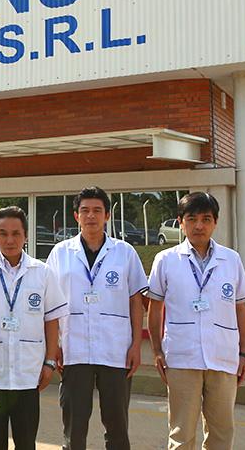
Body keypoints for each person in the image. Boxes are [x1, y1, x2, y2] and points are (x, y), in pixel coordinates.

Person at [147, 192, 245, 450]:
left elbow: (241, 309)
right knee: (181, 434)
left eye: (206, 219)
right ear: (180, 222)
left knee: (222, 432)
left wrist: (244, 354)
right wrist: (158, 351)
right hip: (182, 357)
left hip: (223, 356)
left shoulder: (231, 259)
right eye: (191, 219)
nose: (199, 225)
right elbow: (155, 308)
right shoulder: (166, 260)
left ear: (215, 222)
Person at [46, 187, 148, 450]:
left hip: (115, 350)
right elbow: (50, 304)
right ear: (76, 216)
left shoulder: (124, 252)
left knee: (117, 427)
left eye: (97, 211)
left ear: (107, 216)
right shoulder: (60, 253)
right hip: (73, 350)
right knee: (74, 427)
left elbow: (137, 301)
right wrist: (52, 345)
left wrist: (136, 345)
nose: (91, 216)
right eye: (85, 211)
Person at [0, 206, 67, 450]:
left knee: (26, 441)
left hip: (28, 375)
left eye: (16, 233)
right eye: (3, 233)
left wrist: (50, 362)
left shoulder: (42, 272)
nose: (10, 240)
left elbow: (51, 320)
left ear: (26, 236)